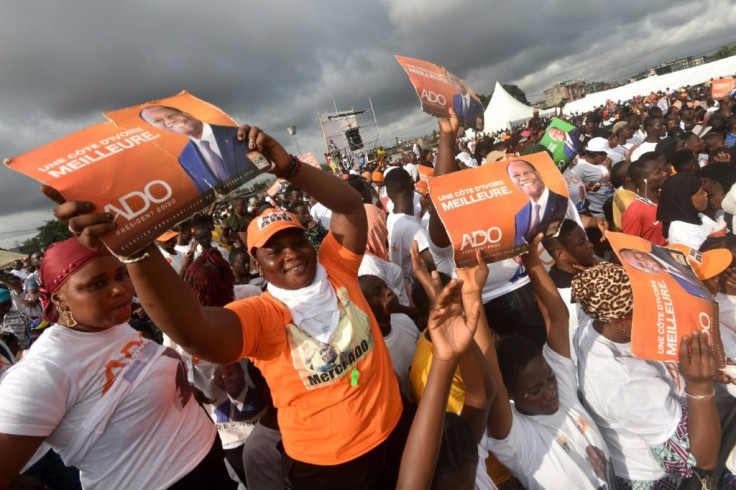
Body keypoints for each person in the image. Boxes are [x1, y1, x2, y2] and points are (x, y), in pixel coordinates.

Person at [49, 124, 404, 489]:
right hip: (331, 467)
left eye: (298, 241)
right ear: (257, 262)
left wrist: (290, 169)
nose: (292, 253)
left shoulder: (337, 269)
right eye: (274, 249)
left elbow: (349, 206)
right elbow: (194, 332)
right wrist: (135, 248)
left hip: (396, 427)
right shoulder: (262, 314)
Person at [0, 238, 235, 488]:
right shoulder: (44, 369)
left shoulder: (110, 325)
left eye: (121, 275)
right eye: (97, 284)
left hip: (212, 467)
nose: (119, 289)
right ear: (59, 300)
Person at [572, 263, 722, 488]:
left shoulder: (594, 322)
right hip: (654, 476)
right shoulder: (624, 384)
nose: (659, 310)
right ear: (621, 321)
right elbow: (703, 458)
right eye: (648, 306)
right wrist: (699, 385)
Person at [484, 235, 614, 489]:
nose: (550, 391)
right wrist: (470, 292)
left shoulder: (561, 390)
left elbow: (558, 319)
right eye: (535, 390)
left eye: (549, 378)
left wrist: (532, 258)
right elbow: (490, 379)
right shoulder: (517, 438)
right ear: (510, 393)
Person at [140, 105, 269, 194]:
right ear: (156, 127)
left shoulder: (238, 133)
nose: (168, 122)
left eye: (172, 116)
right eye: (158, 121)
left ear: (187, 114)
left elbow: (264, 165)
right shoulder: (185, 160)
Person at [507, 159, 568, 246]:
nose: (523, 178)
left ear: (538, 174)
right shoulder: (519, 216)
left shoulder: (564, 202)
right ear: (511, 181)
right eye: (516, 175)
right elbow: (519, 248)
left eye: (527, 172)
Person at [657, 172, 722, 250]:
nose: (706, 194)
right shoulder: (682, 233)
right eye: (701, 192)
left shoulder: (698, 215)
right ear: (686, 199)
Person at [618, 246, 711, 300]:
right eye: (640, 265)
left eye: (637, 256)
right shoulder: (670, 291)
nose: (642, 261)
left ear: (637, 250)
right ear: (644, 271)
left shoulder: (673, 249)